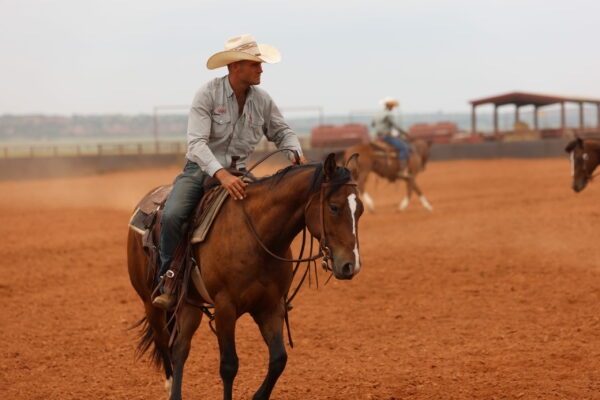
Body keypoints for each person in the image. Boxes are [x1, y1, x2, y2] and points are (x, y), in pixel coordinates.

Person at [153, 34, 307, 310]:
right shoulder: (208, 94)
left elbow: (282, 131)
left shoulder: (262, 100)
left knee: (273, 215)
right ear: (235, 66)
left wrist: (294, 151)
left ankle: (272, 285)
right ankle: (170, 277)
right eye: (254, 64)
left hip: (241, 172)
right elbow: (197, 144)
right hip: (199, 171)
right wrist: (221, 175)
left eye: (260, 64)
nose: (261, 69)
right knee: (174, 214)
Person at [371, 96, 410, 177]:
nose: (393, 107)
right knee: (404, 148)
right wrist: (404, 132)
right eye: (392, 106)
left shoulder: (377, 114)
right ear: (390, 106)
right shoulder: (388, 114)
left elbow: (373, 124)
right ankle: (402, 171)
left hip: (377, 137)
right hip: (386, 137)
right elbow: (395, 125)